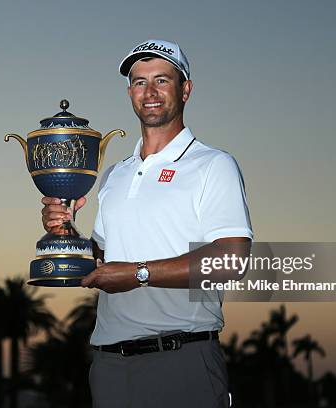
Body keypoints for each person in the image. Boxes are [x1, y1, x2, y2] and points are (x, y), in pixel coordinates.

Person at [41, 39, 253, 408]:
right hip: (110, 367)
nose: (149, 92)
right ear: (129, 93)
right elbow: (103, 258)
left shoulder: (213, 165)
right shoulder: (113, 175)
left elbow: (232, 260)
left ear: (185, 89)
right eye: (140, 82)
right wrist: (65, 231)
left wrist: (139, 273)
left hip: (182, 360)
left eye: (162, 80)